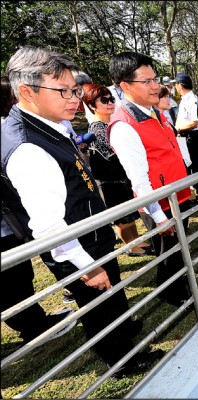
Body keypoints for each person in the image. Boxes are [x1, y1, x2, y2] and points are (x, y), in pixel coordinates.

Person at [1, 47, 163, 376]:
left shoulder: (47, 123)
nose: (74, 98)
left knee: (109, 296)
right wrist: (86, 267)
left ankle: (121, 331)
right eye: (63, 91)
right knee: (98, 302)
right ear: (26, 91)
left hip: (89, 228)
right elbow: (48, 227)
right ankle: (122, 361)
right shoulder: (28, 147)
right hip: (78, 245)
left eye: (75, 89)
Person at [107, 51, 192, 307]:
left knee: (179, 250)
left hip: (176, 195)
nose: (156, 86)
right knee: (169, 253)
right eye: (147, 81)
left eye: (155, 79)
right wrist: (159, 217)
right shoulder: (124, 126)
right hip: (161, 204)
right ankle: (173, 292)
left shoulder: (152, 111)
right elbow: (139, 180)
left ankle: (178, 286)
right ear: (125, 86)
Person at [1, 75, 77, 346]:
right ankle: (33, 327)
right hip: (10, 226)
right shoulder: (15, 137)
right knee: (13, 284)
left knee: (20, 279)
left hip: (13, 223)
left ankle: (34, 322)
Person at [81, 83, 154, 257]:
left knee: (130, 215)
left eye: (111, 99)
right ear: (92, 105)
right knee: (121, 218)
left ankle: (137, 241)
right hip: (110, 182)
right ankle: (131, 247)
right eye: (104, 100)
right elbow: (115, 151)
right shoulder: (97, 128)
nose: (110, 103)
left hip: (122, 178)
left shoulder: (113, 123)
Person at [174, 72, 198, 199]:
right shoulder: (185, 99)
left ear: (180, 85)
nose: (175, 87)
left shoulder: (192, 100)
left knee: (194, 164)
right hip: (184, 136)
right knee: (187, 165)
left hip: (192, 136)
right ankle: (192, 192)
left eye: (176, 84)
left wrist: (176, 129)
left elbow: (195, 123)